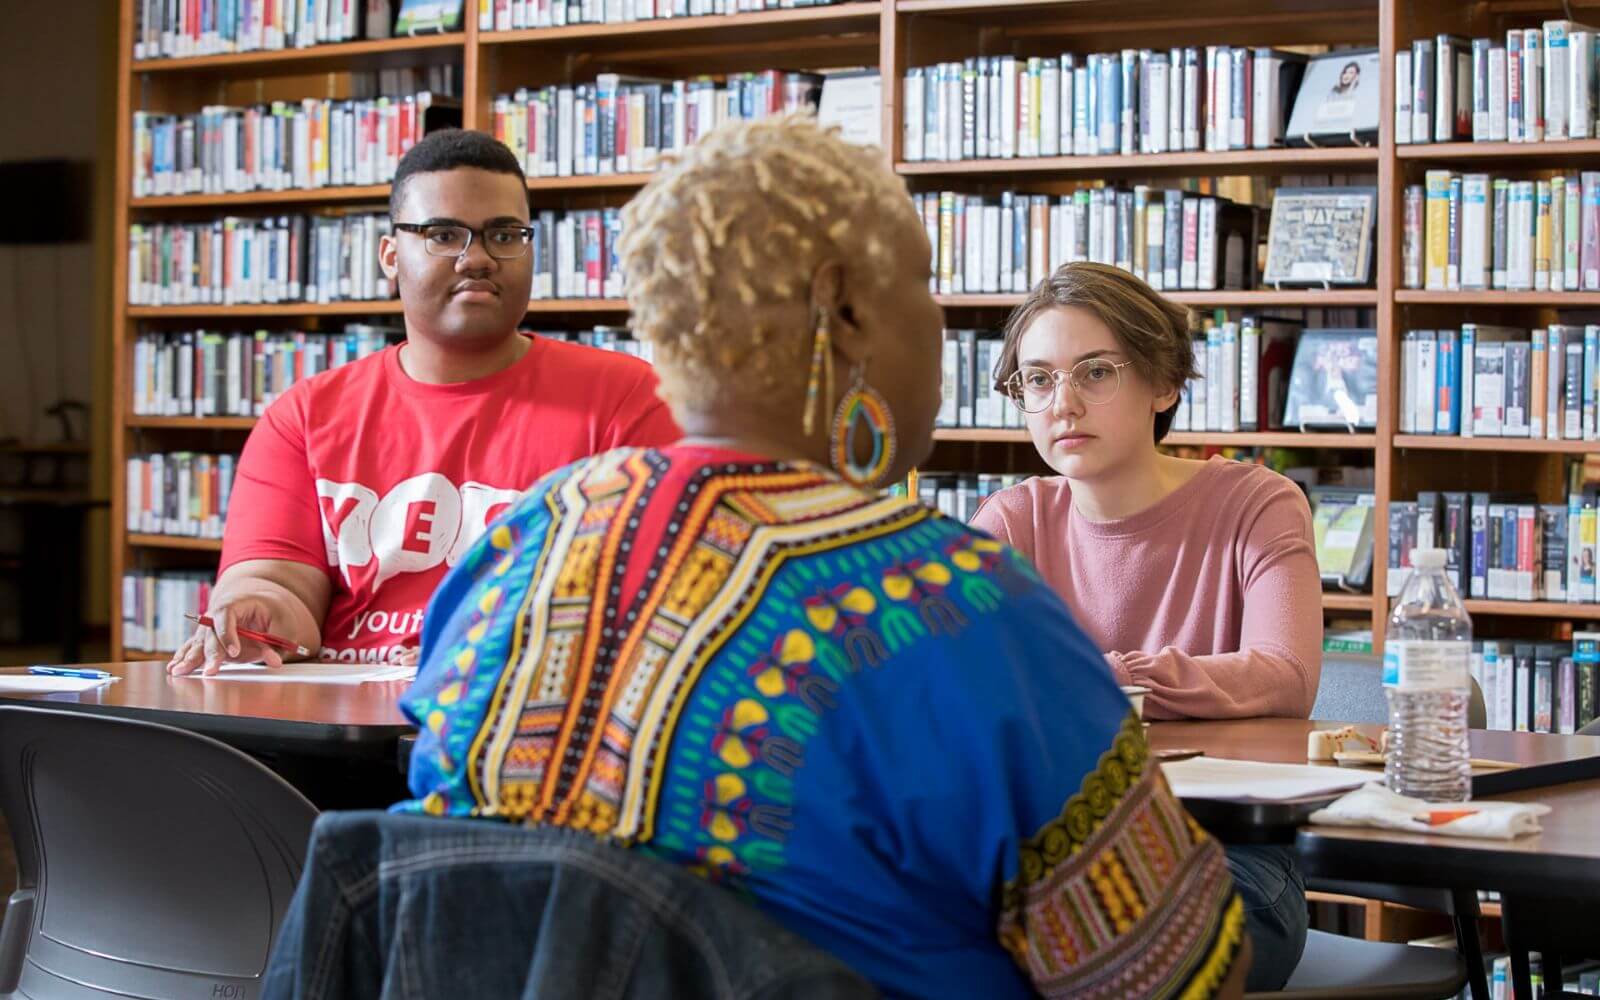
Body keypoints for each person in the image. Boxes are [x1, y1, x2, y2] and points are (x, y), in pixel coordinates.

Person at [394, 116, 1249, 998]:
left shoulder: (519, 545)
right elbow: (1176, 971)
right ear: (845, 311)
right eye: (922, 285)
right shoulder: (958, 602)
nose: (941, 324)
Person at [168, 130, 680, 676]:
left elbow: (653, 599)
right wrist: (254, 611)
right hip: (339, 728)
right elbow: (279, 587)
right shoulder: (303, 417)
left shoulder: (629, 400)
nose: (476, 258)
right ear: (390, 256)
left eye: (504, 234)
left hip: (518, 717)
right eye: (443, 234)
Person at [970, 261, 1321, 991]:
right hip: (1054, 845)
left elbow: (1284, 674)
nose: (1062, 403)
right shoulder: (1011, 521)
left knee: (1088, 948)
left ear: (1164, 384)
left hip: (1229, 850)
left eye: (1095, 372)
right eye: (1037, 380)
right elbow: (977, 696)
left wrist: (1095, 678)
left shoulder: (1258, 503)